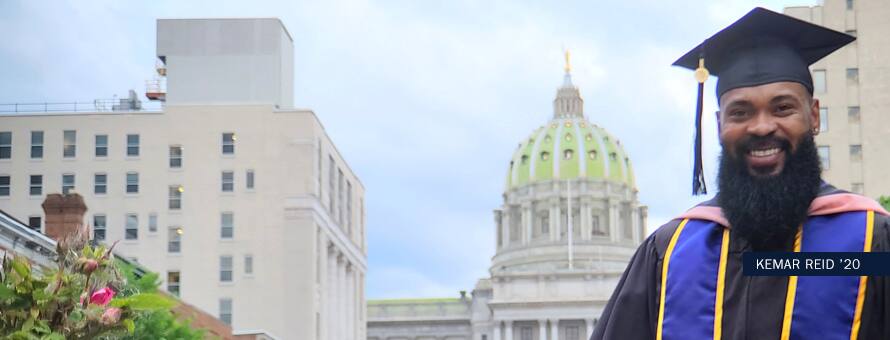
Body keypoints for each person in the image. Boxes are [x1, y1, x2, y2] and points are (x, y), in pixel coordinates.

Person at [591, 7, 890, 340]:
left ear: (814, 116)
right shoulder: (671, 252)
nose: (762, 126)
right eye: (741, 112)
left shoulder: (870, 245)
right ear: (720, 124)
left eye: (782, 108)